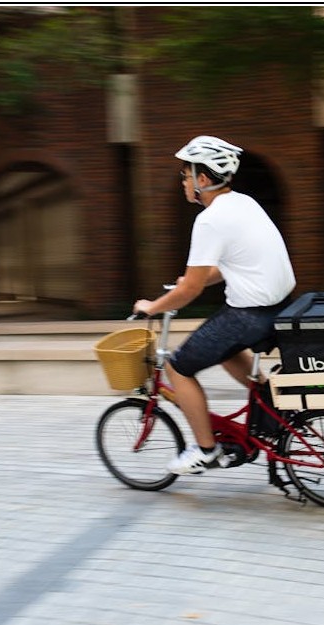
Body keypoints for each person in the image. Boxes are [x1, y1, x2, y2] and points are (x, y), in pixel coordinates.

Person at [133, 135, 296, 475]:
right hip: (278, 307)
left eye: (185, 175)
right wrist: (191, 282)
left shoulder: (209, 220)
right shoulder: (244, 203)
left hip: (249, 315)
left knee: (178, 367)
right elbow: (230, 265)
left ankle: (206, 450)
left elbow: (190, 291)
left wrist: (153, 306)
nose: (183, 181)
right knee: (224, 348)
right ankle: (269, 402)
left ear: (203, 179)